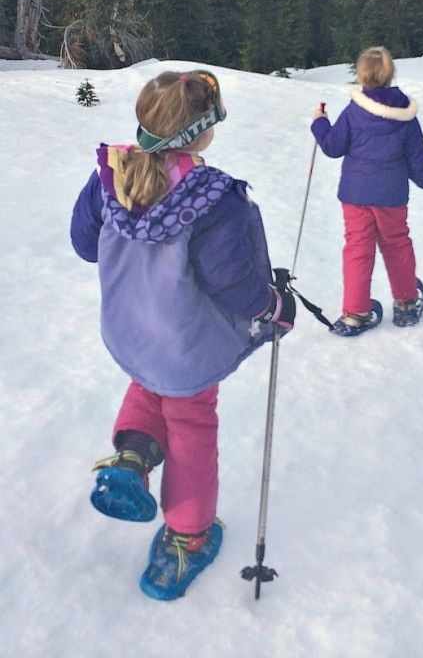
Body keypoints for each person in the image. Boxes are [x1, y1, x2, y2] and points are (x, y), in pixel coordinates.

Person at [71, 69, 293, 601]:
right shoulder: (214, 200)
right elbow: (232, 280)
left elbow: (86, 244)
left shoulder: (112, 174)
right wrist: (274, 306)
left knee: (148, 384)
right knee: (191, 422)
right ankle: (187, 537)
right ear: (202, 133)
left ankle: (132, 458)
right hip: (187, 345)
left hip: (132, 331)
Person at [310, 46, 423, 337]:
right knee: (397, 243)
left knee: (358, 248)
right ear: (390, 73)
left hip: (355, 195)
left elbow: (332, 146)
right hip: (391, 196)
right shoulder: (405, 115)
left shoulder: (354, 112)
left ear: (362, 74)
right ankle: (405, 304)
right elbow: (417, 159)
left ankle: (355, 314)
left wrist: (319, 122)